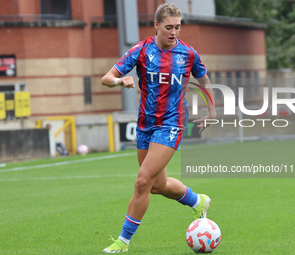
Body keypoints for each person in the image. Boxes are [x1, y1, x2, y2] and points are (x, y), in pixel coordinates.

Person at [101, 3, 216, 253]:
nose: (174, 32)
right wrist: (121, 80)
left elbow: (204, 80)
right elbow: (106, 78)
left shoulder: (188, 54)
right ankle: (198, 200)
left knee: (142, 182)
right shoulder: (141, 51)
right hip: (145, 125)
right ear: (156, 25)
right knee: (156, 185)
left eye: (177, 27)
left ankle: (123, 241)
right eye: (169, 27)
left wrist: (212, 111)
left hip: (172, 123)